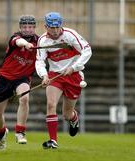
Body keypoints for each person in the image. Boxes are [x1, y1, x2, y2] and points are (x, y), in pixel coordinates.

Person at [35, 12, 92, 149]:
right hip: (55, 75)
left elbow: (87, 50)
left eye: (57, 27)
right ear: (45, 26)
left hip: (73, 76)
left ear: (61, 25)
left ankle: (73, 118)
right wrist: (44, 76)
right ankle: (53, 141)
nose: (55, 31)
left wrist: (73, 68)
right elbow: (40, 61)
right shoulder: (43, 40)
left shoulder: (70, 35)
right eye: (51, 28)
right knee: (50, 104)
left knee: (66, 114)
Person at [0, 15, 39, 150]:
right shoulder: (15, 38)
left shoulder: (40, 41)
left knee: (24, 98)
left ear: (34, 28)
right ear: (20, 28)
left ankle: (20, 132)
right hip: (5, 78)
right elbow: (18, 42)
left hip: (22, 78)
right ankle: (1, 135)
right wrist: (26, 44)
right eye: (24, 27)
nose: (27, 30)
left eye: (30, 27)